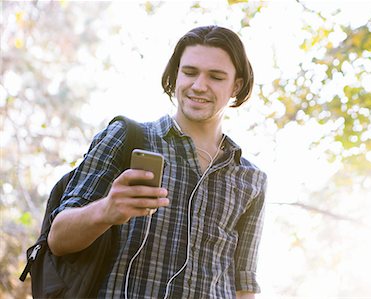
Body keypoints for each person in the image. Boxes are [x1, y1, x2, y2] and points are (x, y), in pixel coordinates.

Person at [48, 25, 267, 299]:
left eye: (216, 76)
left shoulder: (251, 178)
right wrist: (106, 210)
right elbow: (57, 239)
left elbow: (243, 284)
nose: (199, 85)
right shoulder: (126, 138)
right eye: (189, 72)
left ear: (236, 85)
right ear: (175, 75)